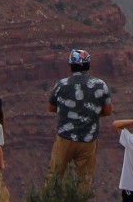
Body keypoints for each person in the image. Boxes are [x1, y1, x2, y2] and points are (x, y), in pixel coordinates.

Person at [47, 48, 112, 193]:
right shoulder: (100, 85)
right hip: (88, 140)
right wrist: (90, 113)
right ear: (88, 65)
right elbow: (108, 111)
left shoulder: (62, 84)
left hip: (65, 139)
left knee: (55, 176)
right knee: (84, 180)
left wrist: (68, 112)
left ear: (70, 65)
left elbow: (51, 108)